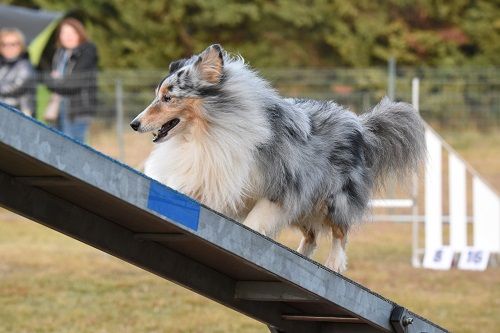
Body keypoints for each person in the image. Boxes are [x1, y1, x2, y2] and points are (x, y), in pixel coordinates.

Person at [45, 18, 98, 143]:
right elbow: (51, 79)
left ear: (80, 33)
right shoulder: (60, 53)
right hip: (60, 107)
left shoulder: (87, 51)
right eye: (64, 33)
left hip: (78, 109)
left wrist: (55, 82)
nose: (68, 37)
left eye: (72, 33)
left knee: (75, 146)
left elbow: (73, 84)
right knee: (57, 143)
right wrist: (57, 81)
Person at [0, 28, 35, 116]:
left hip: (19, 113)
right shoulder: (2, 64)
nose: (8, 48)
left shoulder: (25, 65)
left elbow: (17, 87)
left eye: (13, 44)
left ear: (21, 46)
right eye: (4, 44)